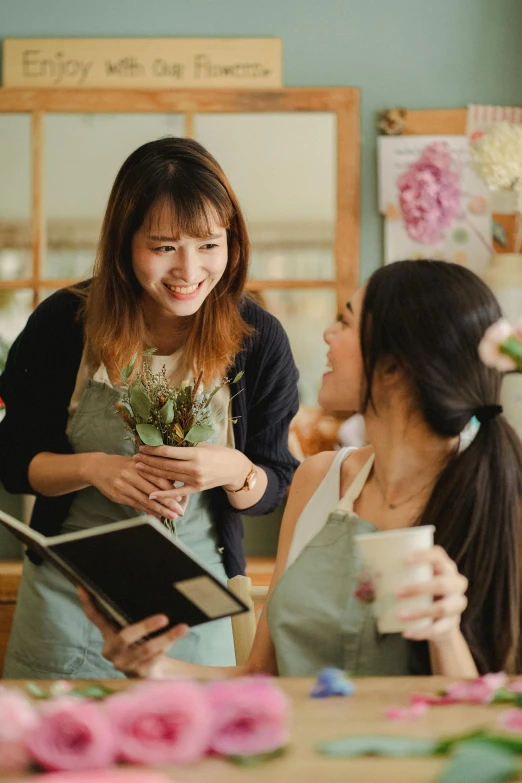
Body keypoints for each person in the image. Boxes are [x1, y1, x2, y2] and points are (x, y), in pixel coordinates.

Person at [82, 259, 522, 679]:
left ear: (394, 367)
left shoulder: (494, 494)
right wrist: (152, 668)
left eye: (346, 322)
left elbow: (485, 715)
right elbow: (259, 676)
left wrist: (444, 633)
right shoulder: (317, 481)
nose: (329, 334)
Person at [0, 137, 299, 678]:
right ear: (124, 243)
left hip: (193, 604)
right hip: (72, 600)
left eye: (209, 244)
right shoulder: (62, 325)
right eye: (163, 247)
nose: (189, 270)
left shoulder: (258, 339)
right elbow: (13, 463)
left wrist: (235, 471)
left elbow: (275, 484)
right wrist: (93, 468)